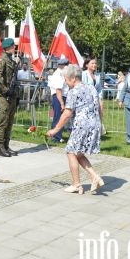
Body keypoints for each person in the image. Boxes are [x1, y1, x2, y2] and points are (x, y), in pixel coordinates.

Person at [46, 65, 104, 194]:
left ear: (73, 78)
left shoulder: (74, 91)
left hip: (82, 125)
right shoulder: (91, 88)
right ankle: (95, 177)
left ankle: (77, 184)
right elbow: (100, 106)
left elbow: (67, 113)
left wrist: (55, 130)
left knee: (71, 152)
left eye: (66, 80)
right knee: (79, 153)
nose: (66, 83)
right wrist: (100, 123)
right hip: (94, 123)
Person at [0, 38, 20, 157]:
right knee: (3, 122)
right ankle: (0, 147)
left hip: (12, 96)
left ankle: (6, 146)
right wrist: (5, 90)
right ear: (8, 47)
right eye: (13, 46)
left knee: (9, 123)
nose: (15, 48)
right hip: (4, 97)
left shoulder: (12, 61)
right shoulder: (2, 60)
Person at [48, 58, 69, 143]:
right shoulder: (58, 74)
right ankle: (56, 137)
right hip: (58, 97)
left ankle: (57, 135)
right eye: (66, 65)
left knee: (61, 117)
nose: (67, 67)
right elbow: (58, 90)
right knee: (58, 117)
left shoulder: (61, 73)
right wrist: (62, 103)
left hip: (61, 96)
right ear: (62, 65)